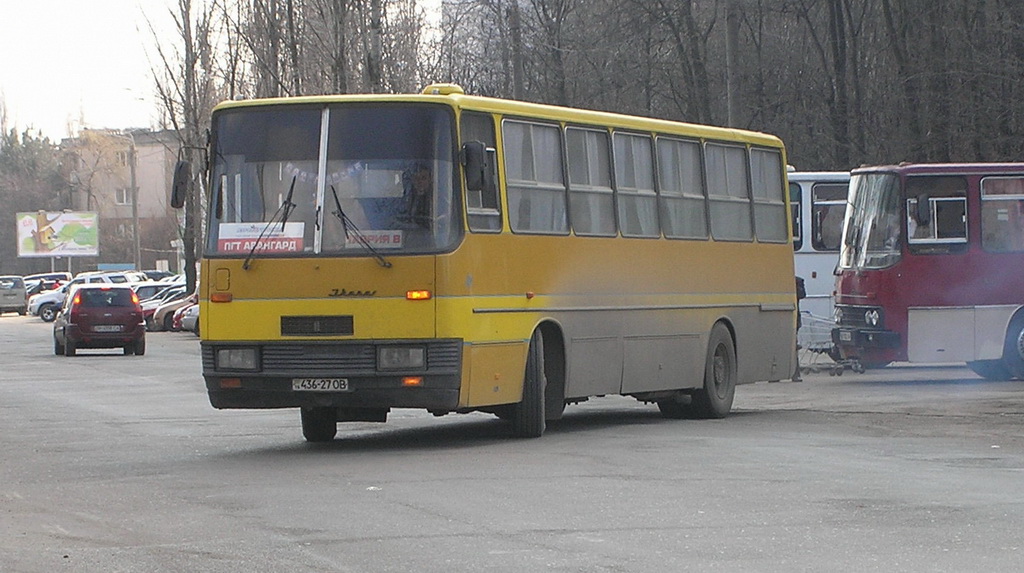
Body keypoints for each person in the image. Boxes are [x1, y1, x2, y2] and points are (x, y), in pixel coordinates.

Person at [399, 163, 432, 229]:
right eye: (416, 178)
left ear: (430, 180)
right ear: (412, 181)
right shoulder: (406, 199)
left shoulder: (438, 200)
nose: (419, 181)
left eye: (423, 178)